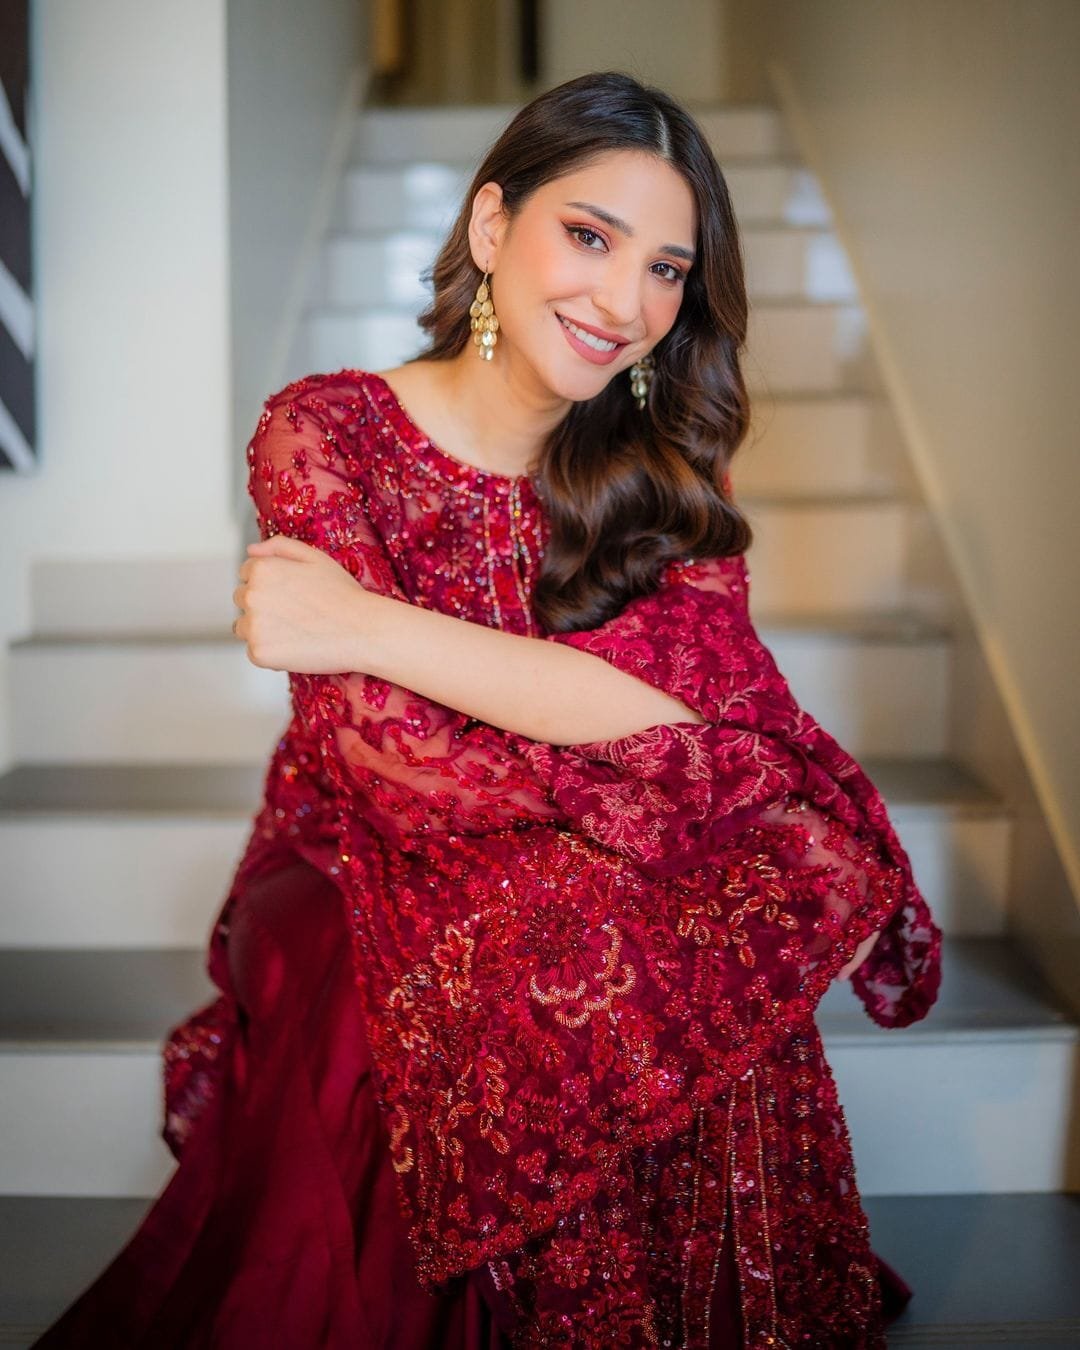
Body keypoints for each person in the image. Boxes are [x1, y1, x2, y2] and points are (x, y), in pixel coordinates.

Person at [31, 71, 941, 1348]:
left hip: (559, 828)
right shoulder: (328, 432)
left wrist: (365, 624)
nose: (624, 305)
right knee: (616, 909)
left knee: (716, 874)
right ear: (490, 226)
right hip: (366, 844)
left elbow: (708, 727)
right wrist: (623, 750)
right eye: (590, 237)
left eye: (667, 270)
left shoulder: (668, 465)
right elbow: (394, 758)